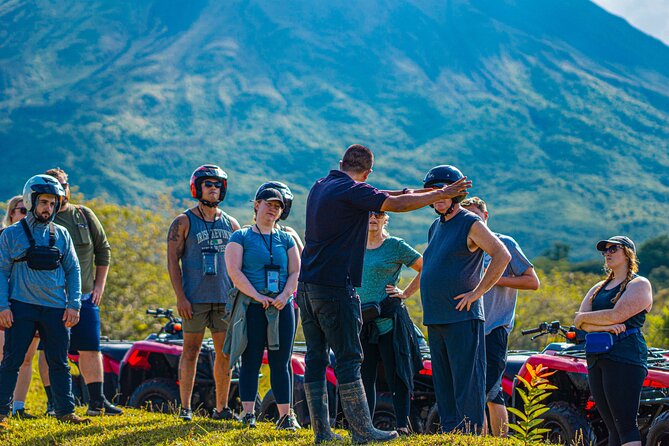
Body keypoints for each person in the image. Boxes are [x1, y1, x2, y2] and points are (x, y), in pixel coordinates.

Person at [298, 144, 471, 444]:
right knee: (350, 357)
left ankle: (322, 432)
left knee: (315, 356)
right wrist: (442, 193)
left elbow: (386, 193)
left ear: (342, 164)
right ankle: (363, 431)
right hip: (335, 287)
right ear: (366, 174)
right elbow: (396, 204)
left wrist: (414, 190)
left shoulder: (321, 185)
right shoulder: (352, 192)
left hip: (307, 286)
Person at [420, 165, 511, 435]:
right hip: (435, 316)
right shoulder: (435, 226)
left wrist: (478, 292)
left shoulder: (471, 223)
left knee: (467, 382)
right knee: (443, 382)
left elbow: (501, 255)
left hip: (463, 316)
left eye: (445, 191)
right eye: (434, 191)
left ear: (457, 194)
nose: (439, 196)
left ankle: (468, 435)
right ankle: (451, 434)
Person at [0, 175, 89, 427]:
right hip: (21, 306)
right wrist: (2, 306)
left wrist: (74, 304)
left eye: (52, 203)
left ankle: (65, 411)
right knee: (12, 360)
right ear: (31, 201)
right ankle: (1, 413)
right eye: (43, 202)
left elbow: (73, 270)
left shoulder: (62, 234)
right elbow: (1, 271)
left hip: (56, 308)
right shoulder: (10, 235)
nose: (48, 208)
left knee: (59, 361)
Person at [37, 168, 121, 416]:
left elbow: (103, 249)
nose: (60, 190)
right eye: (54, 186)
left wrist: (99, 285)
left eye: (63, 184)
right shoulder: (42, 219)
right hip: (52, 298)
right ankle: (53, 402)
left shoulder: (83, 215)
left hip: (85, 296)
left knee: (91, 348)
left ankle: (97, 401)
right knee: (49, 349)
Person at [167, 165, 240, 421]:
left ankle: (222, 408)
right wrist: (180, 296)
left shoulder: (231, 222)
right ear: (197, 187)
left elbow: (239, 264)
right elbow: (172, 261)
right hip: (194, 300)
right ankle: (185, 408)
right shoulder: (183, 221)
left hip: (223, 299)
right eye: (208, 184)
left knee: (224, 354)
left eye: (217, 184)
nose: (213, 188)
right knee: (191, 351)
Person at [461, 197, 540, 437]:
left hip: (496, 325)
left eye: (476, 216)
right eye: (468, 217)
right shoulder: (460, 246)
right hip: (466, 326)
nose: (473, 222)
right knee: (484, 390)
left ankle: (494, 439)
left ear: (485, 217)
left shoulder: (504, 243)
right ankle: (487, 440)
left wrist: (492, 278)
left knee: (487, 389)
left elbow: (532, 281)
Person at [224, 186, 300, 430]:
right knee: (251, 359)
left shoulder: (286, 238)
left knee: (281, 361)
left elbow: (295, 271)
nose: (273, 209)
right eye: (269, 204)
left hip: (281, 307)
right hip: (252, 305)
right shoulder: (241, 237)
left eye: (278, 206)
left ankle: (286, 416)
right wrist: (256, 295)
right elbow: (234, 271)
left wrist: (285, 295)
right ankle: (248, 414)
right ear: (256, 205)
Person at [574, 236, 652, 446]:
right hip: (597, 356)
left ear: (628, 254)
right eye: (604, 250)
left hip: (625, 356)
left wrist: (588, 320)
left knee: (626, 425)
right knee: (612, 427)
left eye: (613, 249)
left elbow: (617, 315)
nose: (607, 253)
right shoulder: (599, 288)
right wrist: (605, 326)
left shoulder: (639, 284)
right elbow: (578, 322)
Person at [358, 210, 423, 435]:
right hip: (362, 321)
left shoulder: (395, 245)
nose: (373, 218)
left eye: (379, 214)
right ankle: (365, 427)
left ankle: (402, 426)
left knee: (397, 373)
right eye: (369, 214)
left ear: (386, 218)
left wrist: (404, 292)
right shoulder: (354, 243)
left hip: (389, 319)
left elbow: (425, 267)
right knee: (365, 377)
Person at [0, 196, 39, 418]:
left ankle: (18, 407)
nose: (26, 215)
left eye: (29, 211)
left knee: (26, 359)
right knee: (6, 358)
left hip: (33, 305)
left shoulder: (43, 239)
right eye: (22, 210)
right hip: (6, 305)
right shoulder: (3, 238)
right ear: (12, 213)